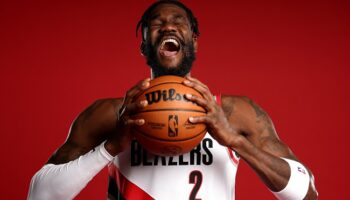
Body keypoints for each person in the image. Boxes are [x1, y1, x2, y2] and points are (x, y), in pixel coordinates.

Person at [28, 1, 318, 199]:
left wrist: (235, 141)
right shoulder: (112, 114)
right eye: (157, 23)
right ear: (143, 44)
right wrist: (110, 147)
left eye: (178, 21)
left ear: (194, 40)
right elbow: (39, 194)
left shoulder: (233, 111)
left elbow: (307, 193)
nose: (168, 27)